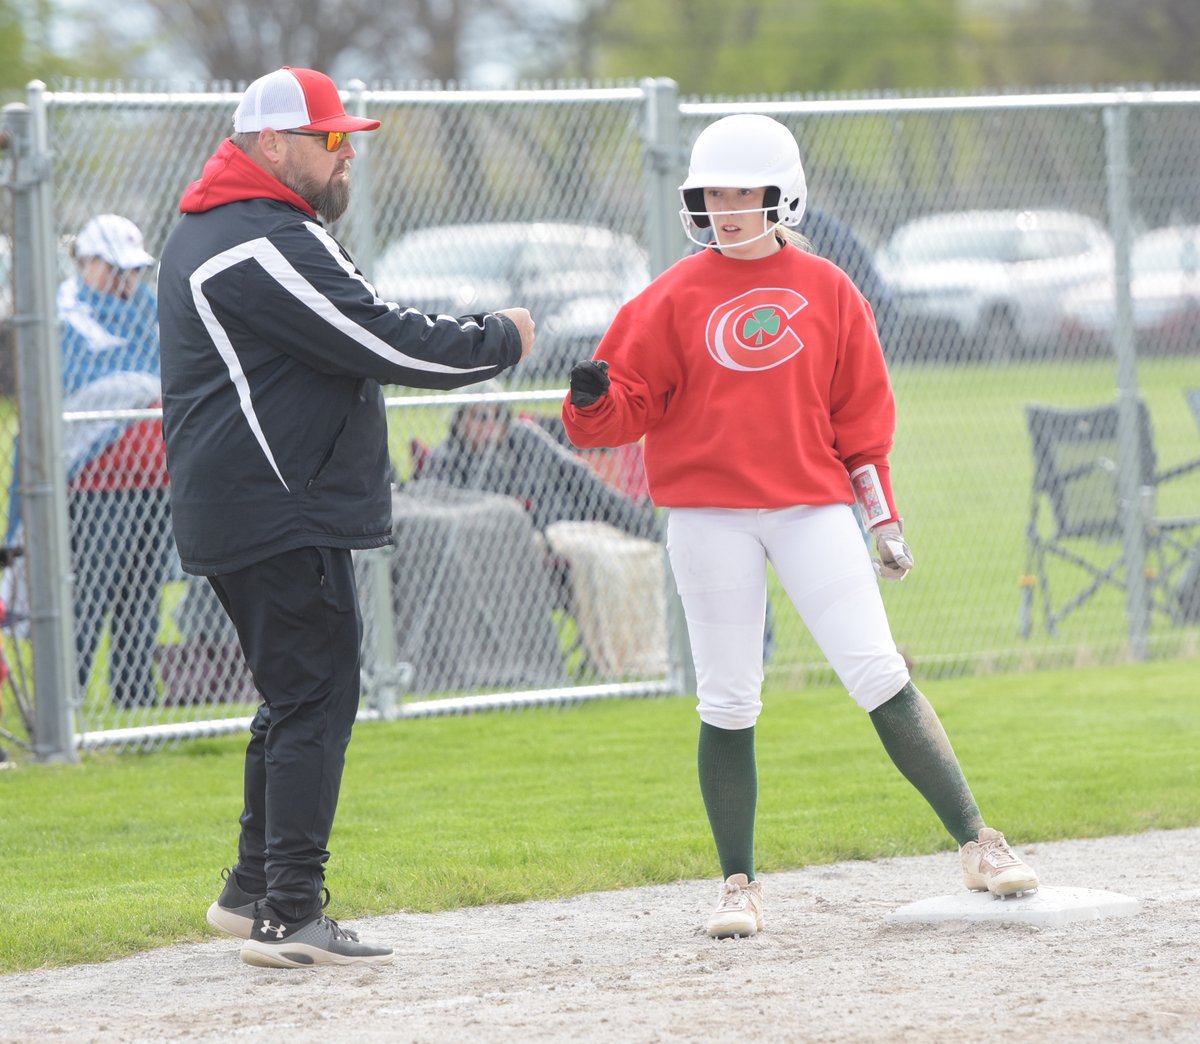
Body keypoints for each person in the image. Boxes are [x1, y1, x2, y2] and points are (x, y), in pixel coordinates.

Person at [561, 114, 1038, 940]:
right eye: (713, 192)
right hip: (708, 516)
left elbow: (861, 425)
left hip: (812, 508)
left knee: (877, 669)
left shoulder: (830, 289)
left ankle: (978, 841)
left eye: (744, 190)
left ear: (784, 194)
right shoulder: (669, 296)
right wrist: (591, 397)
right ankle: (737, 883)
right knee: (728, 695)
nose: (727, 206)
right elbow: (614, 418)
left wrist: (881, 519)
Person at [156, 66, 535, 968]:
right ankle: (291, 911)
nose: (345, 156)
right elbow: (379, 335)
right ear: (273, 146)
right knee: (317, 698)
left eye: (349, 140)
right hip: (280, 509)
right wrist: (501, 339)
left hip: (259, 505)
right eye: (330, 140)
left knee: (294, 697)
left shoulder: (236, 226)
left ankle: (253, 892)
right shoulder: (256, 239)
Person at [5, 214, 171, 709]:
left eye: (133, 270)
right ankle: (65, 699)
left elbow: (169, 366)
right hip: (95, 482)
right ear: (87, 262)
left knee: (144, 592)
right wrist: (141, 383)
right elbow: (77, 379)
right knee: (89, 592)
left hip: (157, 477)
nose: (126, 281)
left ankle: (135, 694)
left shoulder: (152, 308)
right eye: (115, 269)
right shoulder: (64, 311)